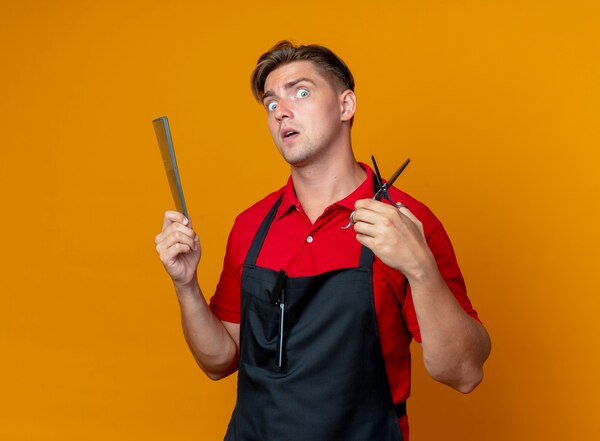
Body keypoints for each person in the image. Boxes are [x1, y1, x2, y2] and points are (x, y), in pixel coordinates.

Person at [155, 41, 491, 441]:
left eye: (301, 92)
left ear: (346, 106)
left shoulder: (405, 222)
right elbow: (219, 360)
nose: (281, 110)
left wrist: (420, 269)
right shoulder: (251, 225)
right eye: (270, 102)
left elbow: (464, 372)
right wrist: (186, 285)